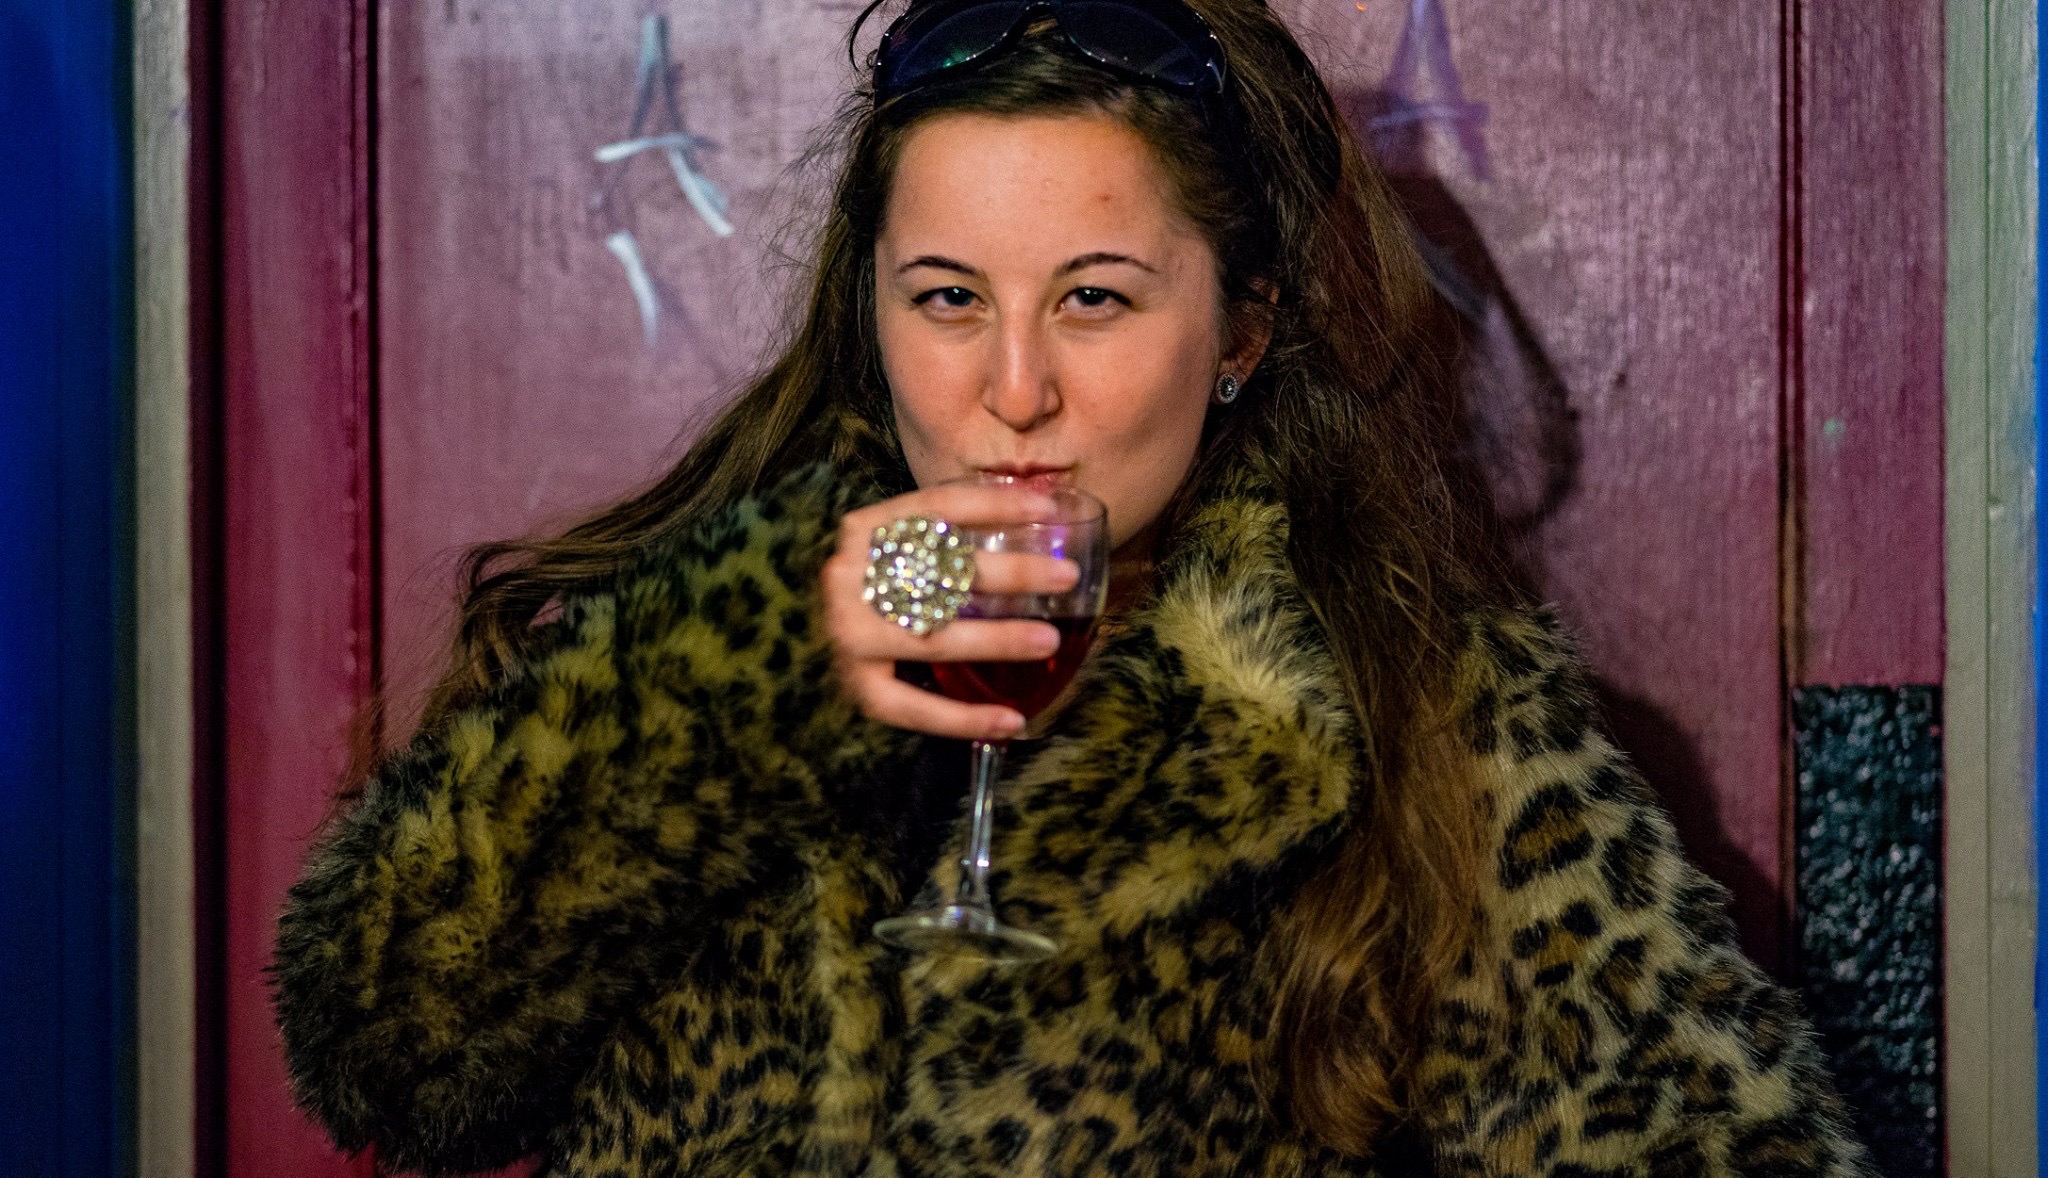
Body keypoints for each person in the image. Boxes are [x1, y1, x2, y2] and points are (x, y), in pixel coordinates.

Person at [270, 1, 1874, 1174]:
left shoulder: (1423, 722)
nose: (1014, 387)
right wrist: (760, 665)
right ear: (869, 310)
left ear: (1240, 330)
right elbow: (380, 1052)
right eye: (948, 298)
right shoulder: (679, 649)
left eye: (1094, 299)